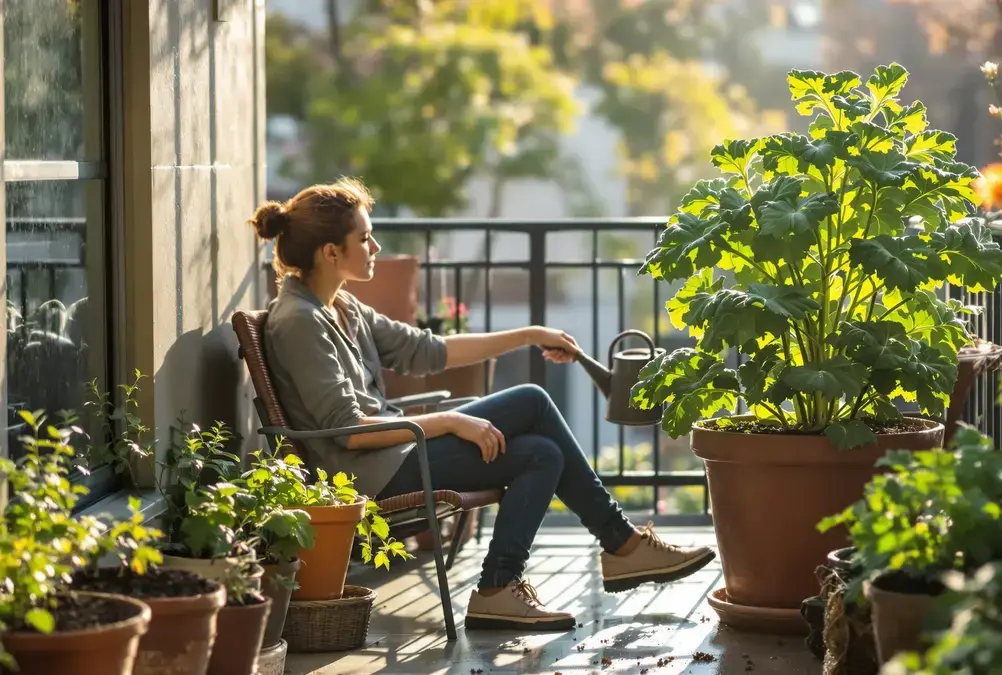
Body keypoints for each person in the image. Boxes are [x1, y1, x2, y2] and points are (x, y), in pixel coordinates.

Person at [249, 178, 715, 631]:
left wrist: (530, 335)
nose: (376, 249)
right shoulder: (300, 322)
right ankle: (620, 544)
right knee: (532, 399)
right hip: (367, 473)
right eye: (365, 239)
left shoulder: (344, 308)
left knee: (543, 454)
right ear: (331, 252)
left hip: (394, 455)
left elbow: (431, 351)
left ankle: (500, 587)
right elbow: (347, 431)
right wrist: (451, 421)